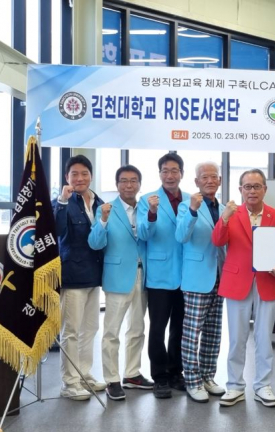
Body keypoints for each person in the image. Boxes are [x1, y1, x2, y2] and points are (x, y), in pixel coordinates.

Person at [211, 169, 275, 408]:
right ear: (240, 190)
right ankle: (234, 385)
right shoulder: (231, 213)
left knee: (264, 337)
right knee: (237, 338)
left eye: (256, 186)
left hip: (267, 281)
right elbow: (217, 241)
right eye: (247, 187)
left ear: (265, 189)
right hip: (237, 281)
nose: (252, 191)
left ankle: (263, 385)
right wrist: (224, 219)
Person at [88, 165, 153, 401]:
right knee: (111, 332)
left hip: (142, 275)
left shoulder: (145, 208)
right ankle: (112, 379)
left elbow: (148, 235)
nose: (129, 185)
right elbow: (95, 243)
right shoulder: (105, 209)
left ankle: (132, 374)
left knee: (137, 329)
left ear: (139, 184)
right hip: (117, 276)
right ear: (117, 185)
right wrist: (103, 221)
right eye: (124, 181)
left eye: (133, 181)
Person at [137, 153, 189, 399]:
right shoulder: (147, 200)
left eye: (174, 170)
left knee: (180, 328)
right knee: (157, 328)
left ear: (181, 173)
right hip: (159, 274)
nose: (170, 175)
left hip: (186, 275)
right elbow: (143, 235)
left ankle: (176, 371)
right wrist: (152, 213)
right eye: (165, 171)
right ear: (159, 174)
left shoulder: (190, 199)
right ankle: (159, 376)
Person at [54, 155, 105, 401]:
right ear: (67, 177)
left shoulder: (99, 202)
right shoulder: (63, 202)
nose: (80, 178)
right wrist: (62, 201)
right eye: (74, 174)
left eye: (84, 173)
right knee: (71, 331)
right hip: (72, 276)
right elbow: (57, 231)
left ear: (91, 176)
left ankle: (84, 374)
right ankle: (69, 382)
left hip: (95, 275)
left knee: (90, 328)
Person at [176, 162, 226, 403]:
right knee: (192, 332)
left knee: (213, 332)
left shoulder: (225, 208)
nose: (209, 181)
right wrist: (193, 211)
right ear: (196, 181)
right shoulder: (186, 205)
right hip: (196, 277)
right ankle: (192, 381)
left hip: (221, 276)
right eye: (204, 177)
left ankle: (208, 376)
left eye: (213, 176)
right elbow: (181, 236)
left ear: (220, 180)